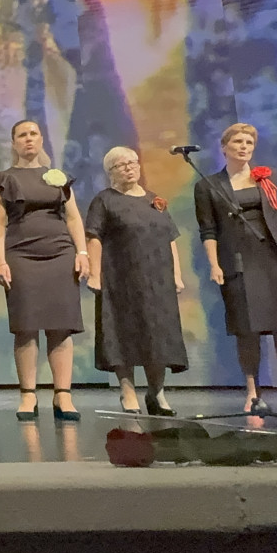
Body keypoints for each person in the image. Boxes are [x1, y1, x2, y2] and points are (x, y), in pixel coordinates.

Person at [195, 122, 277, 418]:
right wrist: (214, 264)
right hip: (239, 260)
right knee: (247, 329)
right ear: (224, 147)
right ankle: (253, 393)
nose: (244, 147)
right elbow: (208, 229)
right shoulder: (208, 185)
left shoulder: (271, 177)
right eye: (238, 142)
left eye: (249, 143)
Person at [0, 120, 88, 422]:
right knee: (26, 325)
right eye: (22, 135)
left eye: (33, 134)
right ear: (13, 142)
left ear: (41, 139)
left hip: (60, 254)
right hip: (21, 254)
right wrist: (1, 261)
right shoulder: (3, 179)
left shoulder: (57, 177)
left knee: (61, 325)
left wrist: (82, 252)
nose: (28, 139)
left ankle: (63, 394)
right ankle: (28, 394)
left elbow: (73, 218)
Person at [85, 147, 188, 416]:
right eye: (121, 165)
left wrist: (176, 274)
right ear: (110, 172)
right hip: (121, 279)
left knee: (159, 334)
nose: (129, 168)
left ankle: (157, 392)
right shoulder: (104, 201)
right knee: (123, 332)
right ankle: (127, 390)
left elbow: (170, 239)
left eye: (132, 163)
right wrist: (95, 274)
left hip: (158, 280)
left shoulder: (154, 200)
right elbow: (94, 237)